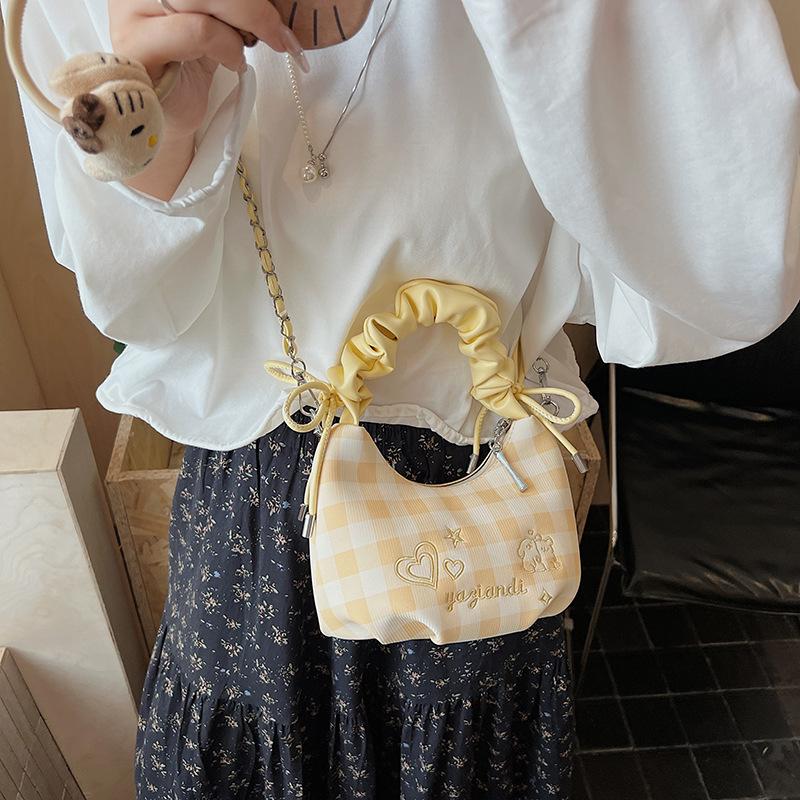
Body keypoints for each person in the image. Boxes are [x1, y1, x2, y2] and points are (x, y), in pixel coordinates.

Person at [4, 0, 799, 797]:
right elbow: (131, 307)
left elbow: (730, 258)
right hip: (258, 517)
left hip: (480, 493)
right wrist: (167, 141)